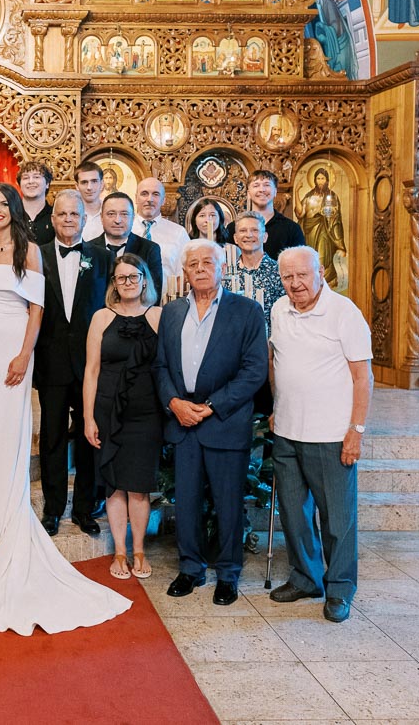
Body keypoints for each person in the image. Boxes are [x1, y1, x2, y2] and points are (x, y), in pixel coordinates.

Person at [0, 183, 132, 635]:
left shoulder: (29, 249)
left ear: (15, 209)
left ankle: (7, 507)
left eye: (3, 204)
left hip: (16, 341)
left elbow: (36, 309)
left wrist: (23, 355)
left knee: (10, 427)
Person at [153, 240, 269, 605]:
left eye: (208, 262)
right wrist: (174, 402)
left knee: (228, 503)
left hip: (224, 420)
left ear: (221, 268)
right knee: (185, 502)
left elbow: (255, 370)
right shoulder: (171, 312)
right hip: (183, 422)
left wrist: (212, 406)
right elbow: (159, 366)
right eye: (193, 264)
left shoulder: (246, 311)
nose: (201, 268)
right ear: (184, 272)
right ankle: (190, 569)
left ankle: (228, 574)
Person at [268, 246, 373, 624]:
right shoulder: (279, 309)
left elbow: (363, 377)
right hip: (287, 431)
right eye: (287, 277)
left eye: (302, 275)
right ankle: (305, 578)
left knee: (337, 520)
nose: (295, 284)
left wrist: (355, 431)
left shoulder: (344, 313)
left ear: (321, 272)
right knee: (294, 515)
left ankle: (340, 588)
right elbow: (275, 361)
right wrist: (277, 407)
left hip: (331, 435)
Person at [35, 191, 113, 536]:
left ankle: (84, 509)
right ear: (52, 220)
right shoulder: (36, 256)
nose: (68, 219)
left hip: (90, 364)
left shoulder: (101, 257)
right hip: (51, 363)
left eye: (74, 214)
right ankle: (52, 510)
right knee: (51, 437)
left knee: (88, 438)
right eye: (62, 214)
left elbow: (109, 307)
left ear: (84, 219)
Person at [84, 253, 162, 581]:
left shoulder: (159, 316)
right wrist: (88, 418)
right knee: (114, 485)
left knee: (139, 487)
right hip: (107, 410)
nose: (128, 283)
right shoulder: (101, 318)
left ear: (145, 280)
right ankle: (119, 549)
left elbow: (169, 366)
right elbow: (91, 370)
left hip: (147, 411)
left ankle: (139, 549)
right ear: (114, 284)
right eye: (121, 278)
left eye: (134, 276)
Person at [89, 192, 164, 298]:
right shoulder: (88, 249)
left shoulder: (149, 249)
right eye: (111, 214)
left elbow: (153, 293)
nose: (117, 220)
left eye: (124, 214)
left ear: (133, 217)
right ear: (101, 217)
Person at [223, 170, 306, 261]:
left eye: (267, 185)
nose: (262, 190)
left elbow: (300, 262)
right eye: (256, 185)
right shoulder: (233, 228)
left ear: (275, 191)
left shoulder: (292, 228)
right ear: (248, 193)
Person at [224, 211, 285, 327]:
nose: (249, 235)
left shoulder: (280, 272)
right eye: (243, 231)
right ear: (236, 239)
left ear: (265, 237)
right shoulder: (226, 274)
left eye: (255, 230)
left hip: (269, 341)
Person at [134, 178, 190, 293]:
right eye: (144, 194)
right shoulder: (125, 229)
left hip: (166, 303)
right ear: (136, 198)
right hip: (128, 304)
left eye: (155, 194)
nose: (149, 199)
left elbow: (184, 273)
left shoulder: (178, 233)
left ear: (163, 200)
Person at [297, 168, 347, 290]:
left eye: (322, 178)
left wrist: (340, 245)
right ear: (314, 180)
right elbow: (300, 214)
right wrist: (297, 191)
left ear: (327, 180)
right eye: (318, 178)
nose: (320, 181)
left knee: (321, 257)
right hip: (309, 231)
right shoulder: (308, 196)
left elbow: (336, 221)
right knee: (309, 259)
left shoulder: (332, 196)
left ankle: (321, 285)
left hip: (324, 230)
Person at [18, 160, 56, 245]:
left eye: (36, 177)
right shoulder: (12, 215)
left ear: (47, 184)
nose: (31, 181)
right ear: (19, 184)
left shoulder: (56, 216)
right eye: (26, 178)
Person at [74, 161, 105, 241]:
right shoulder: (70, 215)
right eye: (84, 182)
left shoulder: (111, 214)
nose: (89, 187)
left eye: (94, 181)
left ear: (101, 184)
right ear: (77, 186)